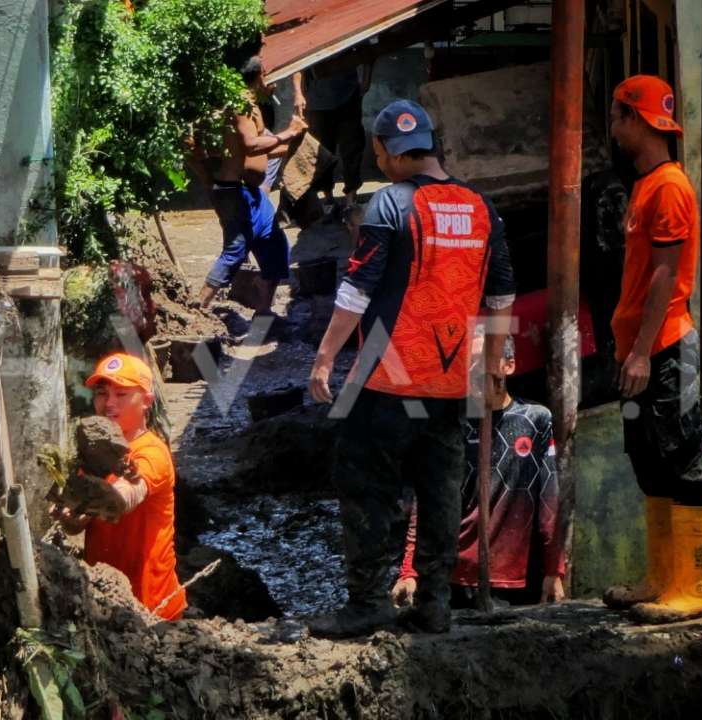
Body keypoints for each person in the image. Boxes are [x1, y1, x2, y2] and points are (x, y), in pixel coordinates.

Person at [307, 99, 516, 637]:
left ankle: (368, 601)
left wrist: (327, 356)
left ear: (384, 151)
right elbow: (501, 297)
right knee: (440, 487)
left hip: (386, 379)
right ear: (432, 143)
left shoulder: (389, 206)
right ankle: (435, 604)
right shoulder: (481, 208)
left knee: (365, 482)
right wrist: (493, 368)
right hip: (451, 382)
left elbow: (356, 291)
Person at [602, 75, 702, 624]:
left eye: (617, 116)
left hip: (665, 350)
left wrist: (643, 352)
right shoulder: (646, 184)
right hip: (640, 350)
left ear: (636, 120)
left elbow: (665, 276)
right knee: (649, 462)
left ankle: (694, 588)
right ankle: (661, 580)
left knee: (681, 458)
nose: (612, 127)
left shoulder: (669, 186)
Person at [391, 332, 565, 610]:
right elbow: (426, 502)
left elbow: (550, 502)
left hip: (515, 577)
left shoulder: (535, 420)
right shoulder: (450, 424)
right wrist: (409, 572)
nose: (474, 371)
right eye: (468, 363)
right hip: (451, 574)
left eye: (483, 362)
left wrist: (554, 570)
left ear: (508, 366)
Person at [52, 353, 187, 620]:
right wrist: (71, 518)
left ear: (146, 401)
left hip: (153, 609)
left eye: (122, 394)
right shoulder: (95, 455)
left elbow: (129, 494)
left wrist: (106, 493)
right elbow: (78, 523)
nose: (109, 403)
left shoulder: (151, 452)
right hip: (105, 601)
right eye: (102, 394)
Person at [197, 56, 308, 315]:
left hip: (251, 193)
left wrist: (291, 143)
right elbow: (250, 144)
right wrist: (288, 133)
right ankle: (198, 307)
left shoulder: (246, 102)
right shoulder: (240, 104)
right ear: (260, 74)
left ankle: (263, 311)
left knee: (274, 244)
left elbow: (255, 151)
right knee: (235, 250)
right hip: (234, 192)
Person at [293, 64, 371, 211]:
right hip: (317, 101)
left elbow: (365, 52)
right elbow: (298, 62)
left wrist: (366, 79)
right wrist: (298, 93)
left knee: (352, 147)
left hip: (348, 95)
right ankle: (328, 198)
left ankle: (351, 198)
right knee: (322, 151)